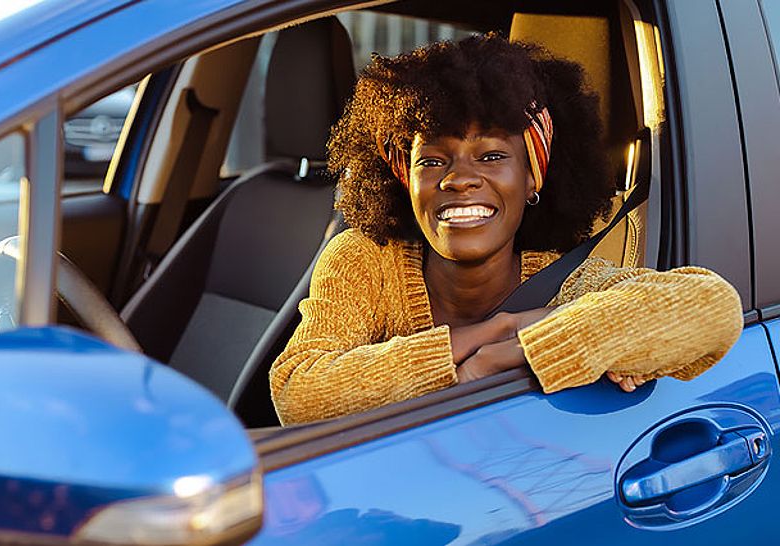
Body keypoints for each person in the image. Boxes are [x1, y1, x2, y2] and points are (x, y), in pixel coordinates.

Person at [269, 35, 743, 426]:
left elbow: (713, 307)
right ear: (403, 179)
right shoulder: (366, 260)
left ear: (533, 174)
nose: (458, 179)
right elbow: (299, 395)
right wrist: (487, 335)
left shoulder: (566, 280)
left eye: (492, 156)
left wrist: (507, 354)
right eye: (432, 160)